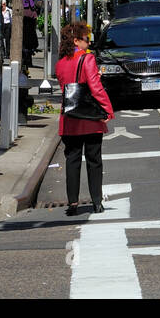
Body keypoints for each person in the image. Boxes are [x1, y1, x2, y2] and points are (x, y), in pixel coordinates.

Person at [55, 21, 113, 216]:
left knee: (72, 160)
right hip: (89, 117)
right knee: (94, 159)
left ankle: (72, 204)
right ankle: (97, 201)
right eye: (86, 39)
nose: (89, 43)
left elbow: (64, 88)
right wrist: (107, 110)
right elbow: (95, 87)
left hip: (69, 117)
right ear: (76, 41)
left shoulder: (60, 63)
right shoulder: (87, 59)